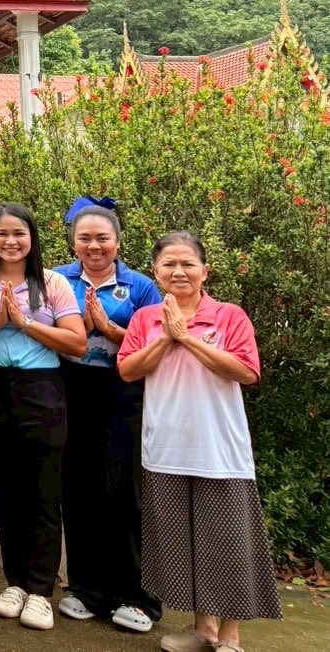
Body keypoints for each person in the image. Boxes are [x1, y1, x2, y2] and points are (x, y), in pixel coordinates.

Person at [119, 232, 280, 652]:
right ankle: (202, 629)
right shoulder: (145, 319)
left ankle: (230, 636)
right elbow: (128, 370)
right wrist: (167, 336)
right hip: (166, 448)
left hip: (219, 449)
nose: (179, 271)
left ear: (205, 270)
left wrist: (186, 336)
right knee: (184, 543)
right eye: (169, 264)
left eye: (188, 263)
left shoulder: (229, 316)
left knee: (225, 541)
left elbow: (246, 372)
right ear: (155, 272)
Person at [0, 204, 86, 632]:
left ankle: (40, 590)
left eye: (19, 233)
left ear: (32, 237)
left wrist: (23, 324)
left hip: (41, 387)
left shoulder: (52, 283)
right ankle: (16, 582)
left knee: (43, 493)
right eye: (2, 233)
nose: (11, 241)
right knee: (5, 492)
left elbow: (76, 341)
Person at [53, 200, 162, 634]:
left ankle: (136, 595)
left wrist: (112, 330)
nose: (94, 246)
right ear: (73, 242)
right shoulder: (59, 279)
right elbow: (53, 330)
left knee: (122, 492)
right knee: (77, 490)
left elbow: (155, 344)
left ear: (117, 241)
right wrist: (79, 328)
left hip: (123, 394)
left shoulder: (139, 286)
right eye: (85, 238)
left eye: (103, 238)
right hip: (70, 390)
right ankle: (85, 589)